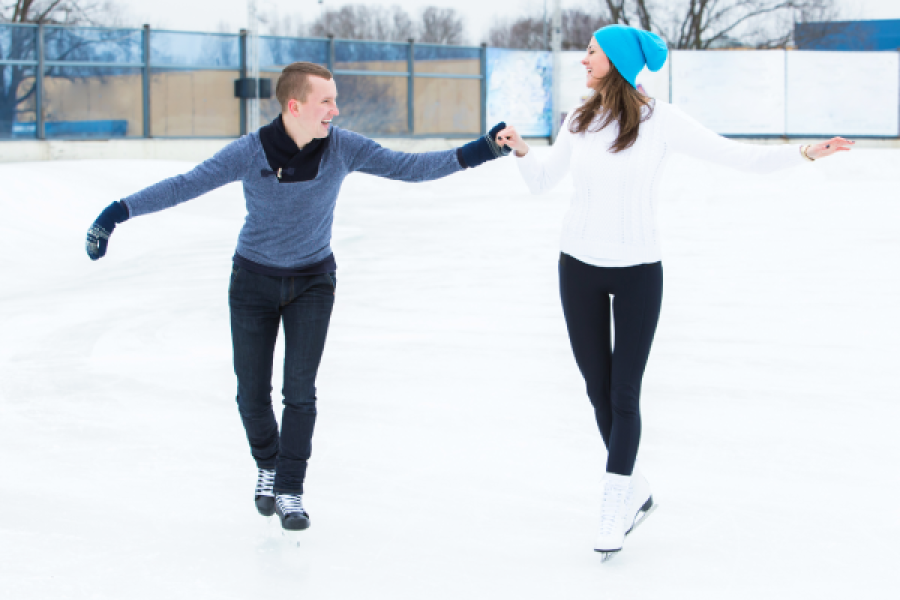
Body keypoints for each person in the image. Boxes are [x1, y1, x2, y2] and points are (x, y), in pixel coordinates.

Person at [85, 61, 510, 532]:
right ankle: (268, 464)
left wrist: (483, 150)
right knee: (251, 393)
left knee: (300, 392)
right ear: (296, 106)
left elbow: (409, 167)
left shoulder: (343, 148)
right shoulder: (250, 152)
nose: (335, 108)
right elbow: (186, 184)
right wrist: (114, 214)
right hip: (252, 282)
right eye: (326, 100)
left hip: (312, 282)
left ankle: (290, 486)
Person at [496, 25, 853, 556]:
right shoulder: (579, 119)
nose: (582, 60)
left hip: (639, 270)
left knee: (624, 393)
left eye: (591, 53)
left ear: (614, 61)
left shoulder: (661, 120)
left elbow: (741, 159)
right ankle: (635, 489)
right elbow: (544, 181)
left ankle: (614, 501)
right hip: (578, 267)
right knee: (597, 389)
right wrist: (523, 150)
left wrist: (805, 152)